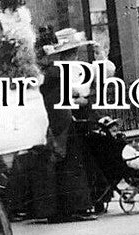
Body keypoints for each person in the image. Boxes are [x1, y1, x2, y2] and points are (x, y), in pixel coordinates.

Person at [9, 27, 96, 223]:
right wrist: (82, 100)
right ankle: (72, 208)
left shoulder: (46, 73)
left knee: (48, 166)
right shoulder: (57, 72)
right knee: (68, 164)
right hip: (59, 120)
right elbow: (68, 97)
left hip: (47, 119)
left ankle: (49, 209)